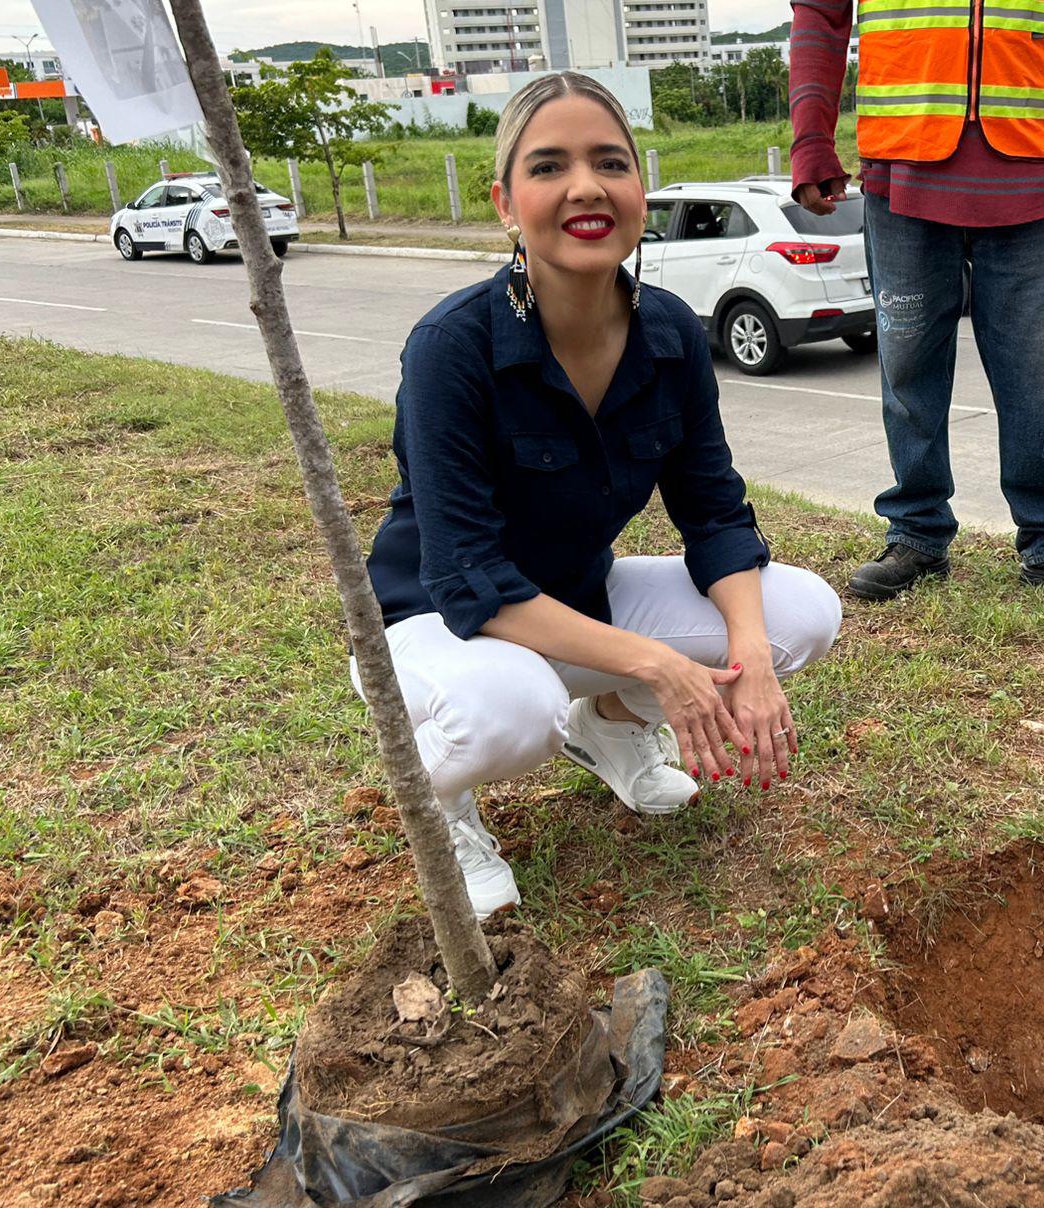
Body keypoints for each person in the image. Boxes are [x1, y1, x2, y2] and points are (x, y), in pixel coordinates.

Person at [357, 72, 843, 919]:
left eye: (609, 162)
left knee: (797, 614)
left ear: (638, 191)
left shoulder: (670, 336)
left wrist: (751, 658)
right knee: (512, 710)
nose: (585, 186)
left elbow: (716, 515)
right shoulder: (451, 347)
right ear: (507, 203)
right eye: (548, 167)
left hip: (575, 598)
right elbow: (467, 573)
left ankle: (609, 723)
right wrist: (660, 663)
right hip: (431, 621)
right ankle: (443, 813)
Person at [789, 0, 1044, 604]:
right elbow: (819, 19)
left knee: (1038, 373)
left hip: (1031, 175)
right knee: (907, 367)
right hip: (901, 173)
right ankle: (917, 532)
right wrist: (810, 141)